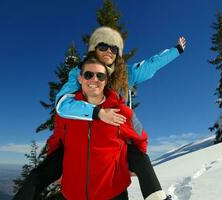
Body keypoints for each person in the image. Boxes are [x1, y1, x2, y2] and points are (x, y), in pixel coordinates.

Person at [13, 27, 185, 200]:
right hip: (83, 126)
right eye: (103, 46)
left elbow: (152, 64)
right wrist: (98, 112)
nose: (109, 51)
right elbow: (63, 105)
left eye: (114, 48)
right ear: (94, 48)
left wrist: (175, 51)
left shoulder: (125, 74)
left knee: (138, 156)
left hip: (114, 134)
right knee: (48, 168)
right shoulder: (79, 73)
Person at [47, 58, 149, 200]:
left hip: (114, 193)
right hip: (73, 194)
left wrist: (132, 165)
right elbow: (55, 142)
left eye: (100, 76)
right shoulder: (67, 113)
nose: (94, 79)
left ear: (106, 81)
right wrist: (56, 171)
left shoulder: (121, 111)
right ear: (80, 78)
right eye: (89, 75)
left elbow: (141, 138)